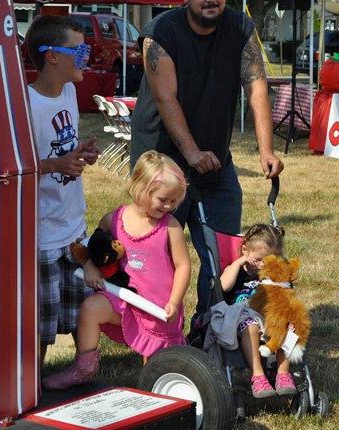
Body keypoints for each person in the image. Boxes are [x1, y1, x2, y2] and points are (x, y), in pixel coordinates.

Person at [129, 0, 284, 322]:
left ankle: (209, 328)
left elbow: (256, 89)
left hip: (215, 166)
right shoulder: (159, 32)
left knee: (223, 256)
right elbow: (164, 96)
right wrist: (191, 152)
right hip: (163, 167)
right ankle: (153, 333)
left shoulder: (241, 26)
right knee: (154, 258)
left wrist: (266, 150)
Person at [43, 150, 191, 390]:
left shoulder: (170, 226)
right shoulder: (113, 220)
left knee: (157, 370)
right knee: (90, 308)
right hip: (123, 299)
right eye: (163, 199)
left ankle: (157, 388)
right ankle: (83, 369)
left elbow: (183, 265)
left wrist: (175, 301)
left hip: (156, 306)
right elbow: (91, 245)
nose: (169, 206)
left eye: (174, 201)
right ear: (141, 189)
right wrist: (89, 265)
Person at [27, 15, 103, 368]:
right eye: (79, 49)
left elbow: (62, 148)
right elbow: (15, 164)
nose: (86, 56)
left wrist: (78, 155)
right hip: (41, 233)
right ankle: (32, 383)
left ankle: (84, 372)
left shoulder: (70, 91)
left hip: (73, 225)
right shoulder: (24, 105)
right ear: (52, 56)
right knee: (40, 325)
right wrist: (56, 165)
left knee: (82, 307)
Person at [219, 224, 295, 398]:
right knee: (250, 325)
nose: (262, 266)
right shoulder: (237, 271)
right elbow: (223, 286)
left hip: (269, 316)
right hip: (245, 316)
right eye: (259, 259)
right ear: (245, 250)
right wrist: (239, 262)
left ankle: (283, 374)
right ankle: (258, 375)